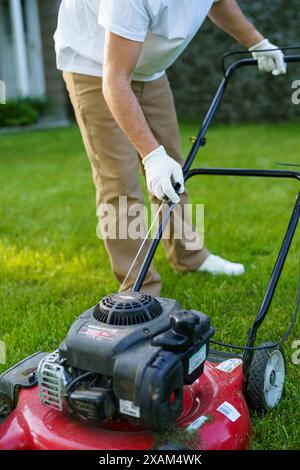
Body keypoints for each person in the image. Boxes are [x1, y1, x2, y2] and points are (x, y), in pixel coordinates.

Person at [54, 0, 286, 295]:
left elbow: (218, 2)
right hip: (96, 68)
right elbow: (115, 80)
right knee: (119, 184)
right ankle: (139, 288)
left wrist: (258, 43)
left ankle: (189, 255)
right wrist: (151, 156)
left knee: (174, 169)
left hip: (149, 70)